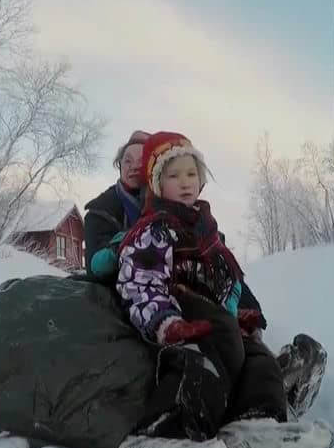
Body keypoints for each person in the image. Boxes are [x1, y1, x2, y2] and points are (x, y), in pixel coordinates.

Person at [112, 131, 334, 448]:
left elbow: (231, 280)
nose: (185, 182)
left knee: (256, 355)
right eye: (173, 175)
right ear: (156, 183)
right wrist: (165, 321)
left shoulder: (208, 229)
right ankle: (163, 431)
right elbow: (139, 281)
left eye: (191, 173)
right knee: (215, 343)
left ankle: (257, 422)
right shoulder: (154, 228)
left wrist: (249, 314)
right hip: (179, 315)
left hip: (215, 317)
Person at [84, 131, 269, 333]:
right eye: (127, 161)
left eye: (140, 160)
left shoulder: (171, 199)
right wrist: (125, 245)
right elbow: (96, 266)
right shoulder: (101, 210)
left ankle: (251, 330)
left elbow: (215, 253)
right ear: (119, 166)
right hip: (131, 290)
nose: (134, 166)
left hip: (180, 283)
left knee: (216, 260)